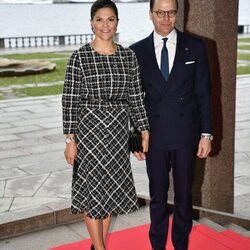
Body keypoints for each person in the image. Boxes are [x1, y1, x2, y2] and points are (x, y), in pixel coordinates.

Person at [62, 0, 149, 249]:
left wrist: (144, 130)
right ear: (91, 23)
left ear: (117, 22)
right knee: (92, 192)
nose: (105, 25)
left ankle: (97, 246)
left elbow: (135, 97)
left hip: (118, 134)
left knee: (109, 192)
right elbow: (69, 102)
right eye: (99, 19)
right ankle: (99, 247)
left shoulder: (128, 56)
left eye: (110, 19)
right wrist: (70, 141)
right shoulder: (79, 57)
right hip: (89, 134)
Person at [130, 0, 213, 249]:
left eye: (171, 12)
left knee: (184, 197)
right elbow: (134, 99)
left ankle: (180, 244)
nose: (165, 18)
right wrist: (135, 138)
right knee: (157, 197)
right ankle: (157, 245)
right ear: (150, 14)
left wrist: (206, 134)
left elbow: (204, 94)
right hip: (154, 137)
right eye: (159, 13)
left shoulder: (195, 47)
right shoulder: (137, 51)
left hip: (186, 135)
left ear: (177, 14)